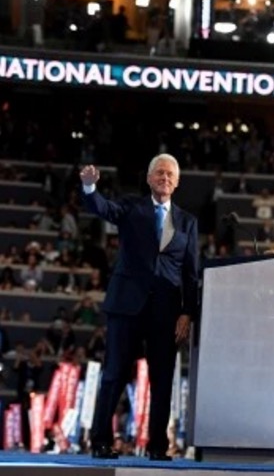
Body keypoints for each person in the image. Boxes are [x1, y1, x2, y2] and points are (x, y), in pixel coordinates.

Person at [80, 154, 199, 461]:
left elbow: (191, 273)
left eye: (170, 174)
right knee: (114, 375)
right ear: (149, 178)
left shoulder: (188, 222)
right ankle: (100, 441)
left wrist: (187, 312)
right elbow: (103, 208)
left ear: (177, 181)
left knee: (162, 381)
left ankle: (157, 446)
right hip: (127, 307)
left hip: (166, 312)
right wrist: (90, 188)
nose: (165, 178)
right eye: (159, 173)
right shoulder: (132, 207)